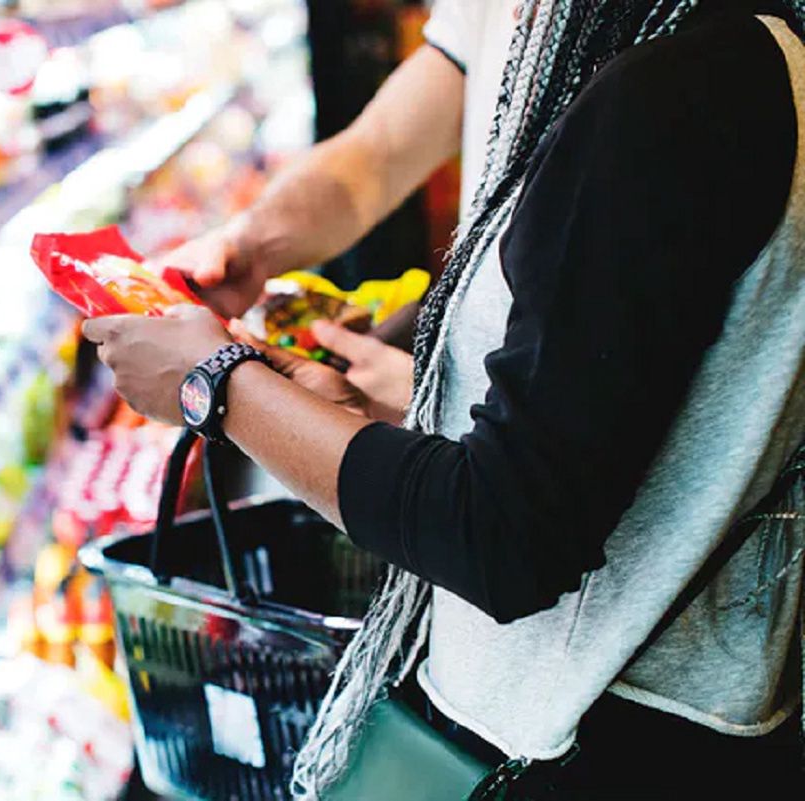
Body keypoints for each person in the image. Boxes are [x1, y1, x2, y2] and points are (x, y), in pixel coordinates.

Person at [85, 0, 805, 798]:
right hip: (700, 717)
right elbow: (609, 424)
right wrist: (371, 410)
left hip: (579, 734)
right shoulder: (754, 54)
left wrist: (218, 386)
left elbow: (504, 537)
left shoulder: (666, 101)